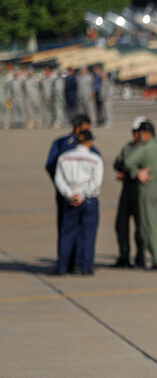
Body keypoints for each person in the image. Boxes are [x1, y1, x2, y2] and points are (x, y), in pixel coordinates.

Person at [46, 115, 98, 273]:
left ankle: (70, 263)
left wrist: (66, 189)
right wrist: (78, 191)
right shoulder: (63, 143)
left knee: (70, 230)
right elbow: (51, 165)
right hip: (78, 194)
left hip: (66, 192)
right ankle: (74, 263)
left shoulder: (65, 144)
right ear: (78, 128)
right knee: (71, 229)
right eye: (86, 127)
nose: (89, 131)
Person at [124, 120, 157, 270]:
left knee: (150, 225)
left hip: (149, 189)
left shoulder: (144, 149)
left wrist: (137, 173)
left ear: (146, 134)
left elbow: (128, 162)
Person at [112, 117, 147, 268]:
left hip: (140, 189)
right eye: (133, 132)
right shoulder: (128, 147)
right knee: (121, 224)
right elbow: (118, 163)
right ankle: (124, 256)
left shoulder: (147, 149)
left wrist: (130, 173)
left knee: (140, 227)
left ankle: (140, 257)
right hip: (127, 189)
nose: (135, 135)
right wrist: (123, 171)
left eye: (138, 132)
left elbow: (147, 168)